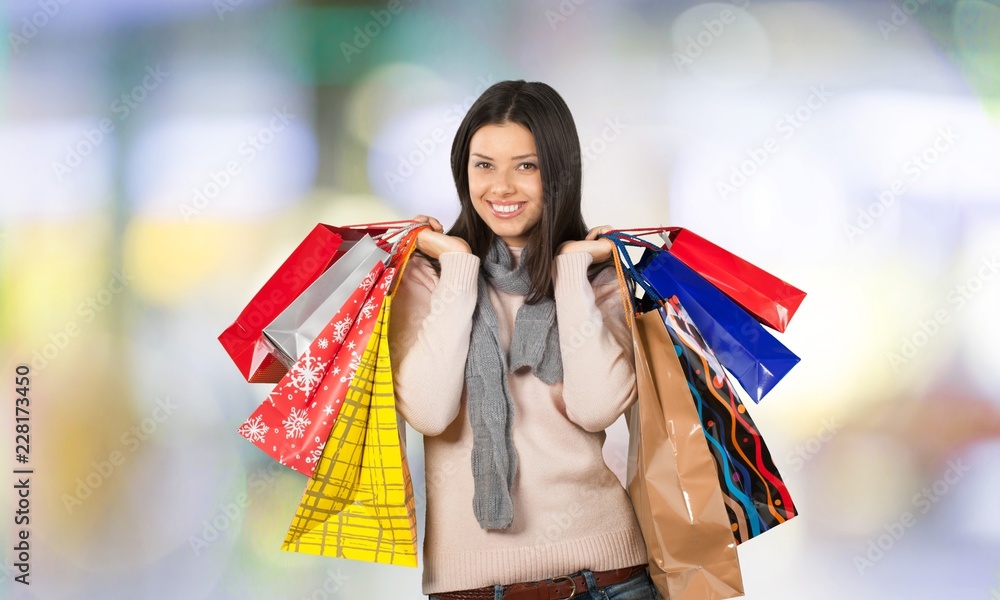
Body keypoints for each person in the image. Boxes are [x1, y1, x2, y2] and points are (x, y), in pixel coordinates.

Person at [388, 80, 658, 600]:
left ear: (559, 174)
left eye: (526, 166)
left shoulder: (602, 278)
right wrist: (459, 270)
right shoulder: (426, 279)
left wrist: (572, 273)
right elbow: (429, 411)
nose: (502, 187)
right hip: (471, 586)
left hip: (605, 581)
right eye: (484, 165)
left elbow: (595, 407)